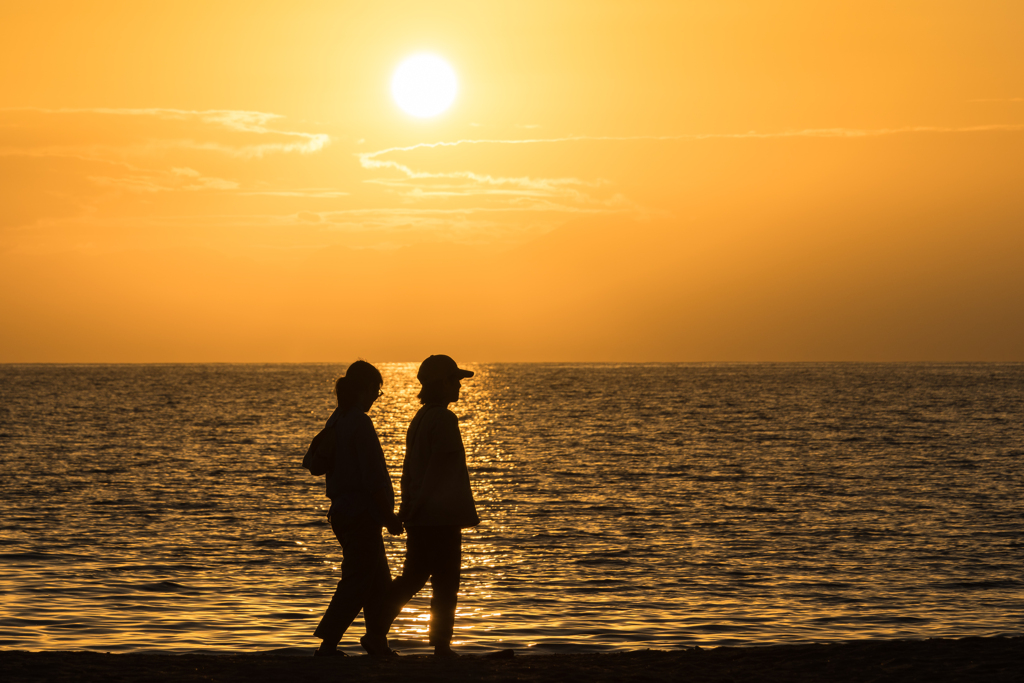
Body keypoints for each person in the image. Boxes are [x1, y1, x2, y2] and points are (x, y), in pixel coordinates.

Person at [363, 354, 480, 658]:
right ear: (443, 383)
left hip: (424, 514)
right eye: (454, 380)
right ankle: (438, 645)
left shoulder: (421, 418)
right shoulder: (443, 419)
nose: (458, 386)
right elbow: (437, 471)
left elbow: (410, 471)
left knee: (414, 577)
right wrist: (416, 508)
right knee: (444, 581)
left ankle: (377, 632)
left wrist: (408, 507)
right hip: (438, 518)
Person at [312, 361, 403, 657]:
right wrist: (389, 516)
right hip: (360, 513)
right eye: (376, 390)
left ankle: (377, 640)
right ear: (363, 390)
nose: (377, 396)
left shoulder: (337, 419)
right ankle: (328, 643)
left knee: (377, 582)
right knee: (357, 581)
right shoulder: (359, 423)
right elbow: (373, 476)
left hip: (343, 511)